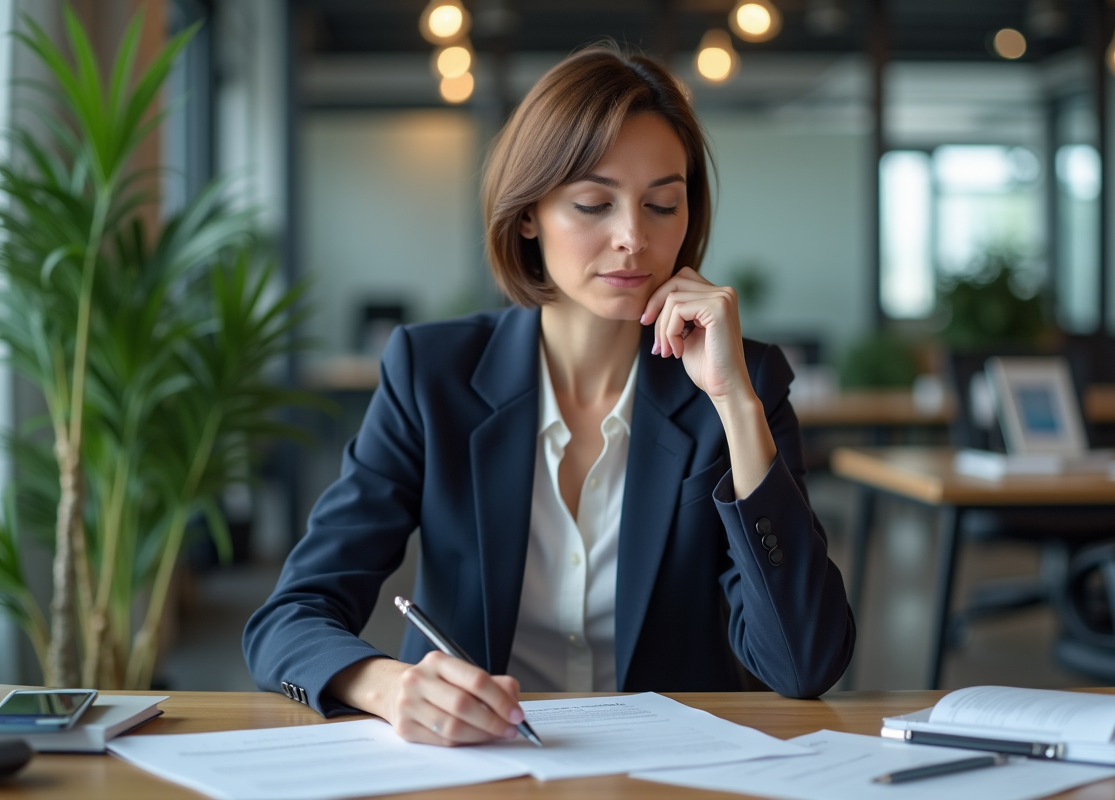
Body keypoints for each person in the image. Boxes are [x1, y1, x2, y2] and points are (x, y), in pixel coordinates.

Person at [244, 45, 854, 747]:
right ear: (529, 214)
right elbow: (287, 619)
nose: (634, 237)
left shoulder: (742, 384)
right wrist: (389, 687)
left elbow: (804, 663)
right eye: (594, 203)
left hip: (672, 777)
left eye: (663, 203)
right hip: (477, 770)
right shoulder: (431, 373)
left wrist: (735, 405)